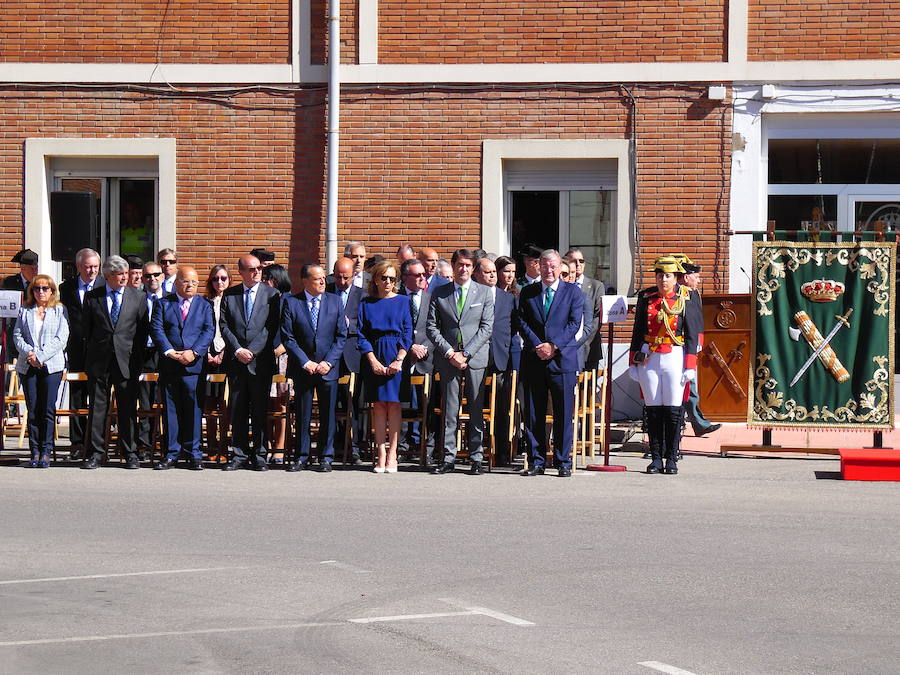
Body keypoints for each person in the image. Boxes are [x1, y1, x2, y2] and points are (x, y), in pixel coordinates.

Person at [628, 255, 701, 475]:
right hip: (649, 356)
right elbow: (638, 331)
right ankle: (655, 457)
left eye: (667, 276)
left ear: (676, 277)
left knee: (672, 410)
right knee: (653, 410)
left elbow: (692, 334)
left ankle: (672, 457)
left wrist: (690, 365)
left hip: (675, 356)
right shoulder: (646, 297)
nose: (663, 280)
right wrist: (633, 360)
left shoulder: (687, 297)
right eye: (660, 276)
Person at [426, 248, 494, 475]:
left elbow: (486, 328)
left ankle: (476, 457)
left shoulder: (484, 293)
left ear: (473, 269)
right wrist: (449, 353)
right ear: (453, 266)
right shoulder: (440, 292)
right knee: (450, 409)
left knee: (476, 408)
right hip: (448, 359)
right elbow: (432, 326)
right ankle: (448, 457)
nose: (463, 269)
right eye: (459, 265)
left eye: (467, 265)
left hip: (475, 358)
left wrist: (466, 354)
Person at [517, 249, 584, 477]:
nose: (549, 270)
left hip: (562, 360)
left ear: (559, 267)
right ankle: (536, 460)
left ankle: (563, 461)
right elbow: (522, 321)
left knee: (563, 413)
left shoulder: (573, 292)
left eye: (553, 266)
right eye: (544, 265)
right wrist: (539, 345)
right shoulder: (528, 292)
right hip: (534, 359)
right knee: (534, 412)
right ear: (538, 267)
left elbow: (574, 324)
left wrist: (553, 346)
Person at [80, 255, 150, 469]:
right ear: (108, 276)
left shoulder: (137, 297)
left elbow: (142, 331)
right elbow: (86, 330)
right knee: (98, 408)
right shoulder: (93, 297)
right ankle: (96, 454)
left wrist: (137, 361)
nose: (124, 278)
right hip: (100, 362)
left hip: (126, 362)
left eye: (126, 274)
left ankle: (130, 453)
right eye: (120, 274)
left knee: (128, 409)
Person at [282, 264, 347, 472]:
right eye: (317, 279)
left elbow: (341, 335)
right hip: (304, 368)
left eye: (323, 278)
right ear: (305, 281)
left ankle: (326, 457)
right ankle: (302, 456)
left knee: (328, 414)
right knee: (303, 413)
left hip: (328, 368)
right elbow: (288, 337)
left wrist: (328, 362)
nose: (322, 282)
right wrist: (305, 362)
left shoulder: (335, 302)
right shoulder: (291, 303)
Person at [219, 254, 281, 471]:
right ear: (241, 272)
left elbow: (271, 327)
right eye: (251, 269)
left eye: (258, 269)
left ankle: (260, 453)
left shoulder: (272, 294)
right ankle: (239, 453)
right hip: (236, 362)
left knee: (259, 409)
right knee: (237, 409)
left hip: (260, 361)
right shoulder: (230, 294)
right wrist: (237, 350)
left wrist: (252, 351)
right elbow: (224, 326)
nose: (256, 272)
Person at [151, 266, 215, 470]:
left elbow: (208, 330)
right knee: (171, 410)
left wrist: (194, 352)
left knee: (194, 410)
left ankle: (194, 453)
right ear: (177, 282)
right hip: (170, 364)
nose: (190, 285)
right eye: (186, 281)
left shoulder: (204, 305)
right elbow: (157, 329)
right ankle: (171, 453)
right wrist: (170, 352)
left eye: (195, 282)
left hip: (194, 366)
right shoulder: (163, 303)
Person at [357, 259, 412, 473]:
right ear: (376, 280)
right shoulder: (366, 303)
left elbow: (408, 331)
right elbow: (362, 335)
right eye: (384, 278)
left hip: (396, 354)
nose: (388, 282)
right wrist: (372, 360)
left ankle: (392, 454)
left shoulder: (403, 301)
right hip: (375, 354)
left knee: (395, 405)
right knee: (379, 406)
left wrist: (399, 359)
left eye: (392, 278)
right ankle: (380, 454)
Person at [13, 274, 68, 468]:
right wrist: (30, 354)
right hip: (28, 365)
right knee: (33, 408)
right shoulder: (25, 310)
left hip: (51, 366)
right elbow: (17, 335)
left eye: (45, 288)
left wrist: (41, 356)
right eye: (37, 288)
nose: (41, 292)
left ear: (52, 291)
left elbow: (62, 338)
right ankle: (34, 451)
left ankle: (46, 451)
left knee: (47, 409)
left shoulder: (59, 310)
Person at [472, 256, 518, 465]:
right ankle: (475, 451)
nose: (492, 275)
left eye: (493, 272)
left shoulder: (507, 298)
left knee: (501, 407)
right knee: (475, 405)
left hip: (500, 358)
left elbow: (513, 326)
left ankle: (500, 452)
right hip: (475, 357)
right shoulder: (472, 295)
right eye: (488, 272)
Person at [58, 247, 101, 460]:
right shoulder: (66, 288)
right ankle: (76, 443)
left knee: (97, 396)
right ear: (78, 267)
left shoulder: (104, 286)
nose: (92, 271)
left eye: (95, 267)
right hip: (75, 349)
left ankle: (94, 443)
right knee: (77, 395)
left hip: (99, 350)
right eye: (88, 267)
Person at [673, 255, 720, 438]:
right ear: (686, 277)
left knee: (690, 385)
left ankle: (696, 423)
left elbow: (697, 321)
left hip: (692, 344)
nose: (698, 280)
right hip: (680, 345)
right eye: (696, 276)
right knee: (689, 386)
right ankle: (698, 423)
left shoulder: (693, 293)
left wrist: (699, 341)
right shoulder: (679, 294)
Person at [326, 257, 365, 463]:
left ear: (354, 275)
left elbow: (366, 323)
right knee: (332, 403)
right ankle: (333, 445)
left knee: (354, 405)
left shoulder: (363, 295)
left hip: (352, 356)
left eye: (346, 278)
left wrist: (347, 325)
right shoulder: (327, 290)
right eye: (338, 277)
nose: (341, 282)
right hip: (330, 355)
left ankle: (355, 447)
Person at [398, 257, 435, 465]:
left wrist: (425, 348)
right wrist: (409, 347)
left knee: (426, 405)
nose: (422, 277)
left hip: (426, 359)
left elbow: (438, 328)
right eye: (417, 275)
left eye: (424, 274)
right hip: (403, 358)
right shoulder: (397, 298)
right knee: (403, 403)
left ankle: (425, 447)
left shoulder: (432, 299)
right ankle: (403, 444)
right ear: (405, 278)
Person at [262, 264, 292, 464]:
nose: (264, 282)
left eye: (268, 278)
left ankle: (280, 447)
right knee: (266, 404)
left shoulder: (288, 299)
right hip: (264, 355)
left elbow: (292, 328)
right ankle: (268, 445)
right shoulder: (262, 299)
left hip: (283, 356)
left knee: (281, 404)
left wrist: (281, 348)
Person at [137, 261, 165, 458]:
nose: (152, 279)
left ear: (162, 276)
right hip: (143, 354)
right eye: (148, 276)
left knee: (164, 400)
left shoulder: (171, 299)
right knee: (145, 401)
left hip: (164, 354)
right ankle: (145, 445)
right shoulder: (136, 299)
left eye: (156, 275)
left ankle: (165, 444)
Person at [202, 264, 231, 460]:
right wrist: (206, 353)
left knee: (226, 403)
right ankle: (211, 447)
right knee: (209, 404)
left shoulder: (234, 301)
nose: (219, 282)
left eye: (223, 278)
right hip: (207, 355)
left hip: (227, 356)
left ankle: (224, 446)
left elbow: (235, 330)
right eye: (215, 278)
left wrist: (224, 353)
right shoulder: (203, 302)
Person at [566, 247, 606, 371]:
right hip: (565, 349)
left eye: (581, 261)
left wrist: (580, 340)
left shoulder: (596, 286)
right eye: (574, 260)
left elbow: (597, 318)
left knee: (587, 388)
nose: (578, 264)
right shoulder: (561, 286)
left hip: (589, 348)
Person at [3, 248, 39, 363]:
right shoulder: (10, 282)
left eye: (36, 268)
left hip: (33, 331)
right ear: (22, 268)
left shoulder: (40, 284)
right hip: (14, 330)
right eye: (32, 269)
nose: (35, 271)